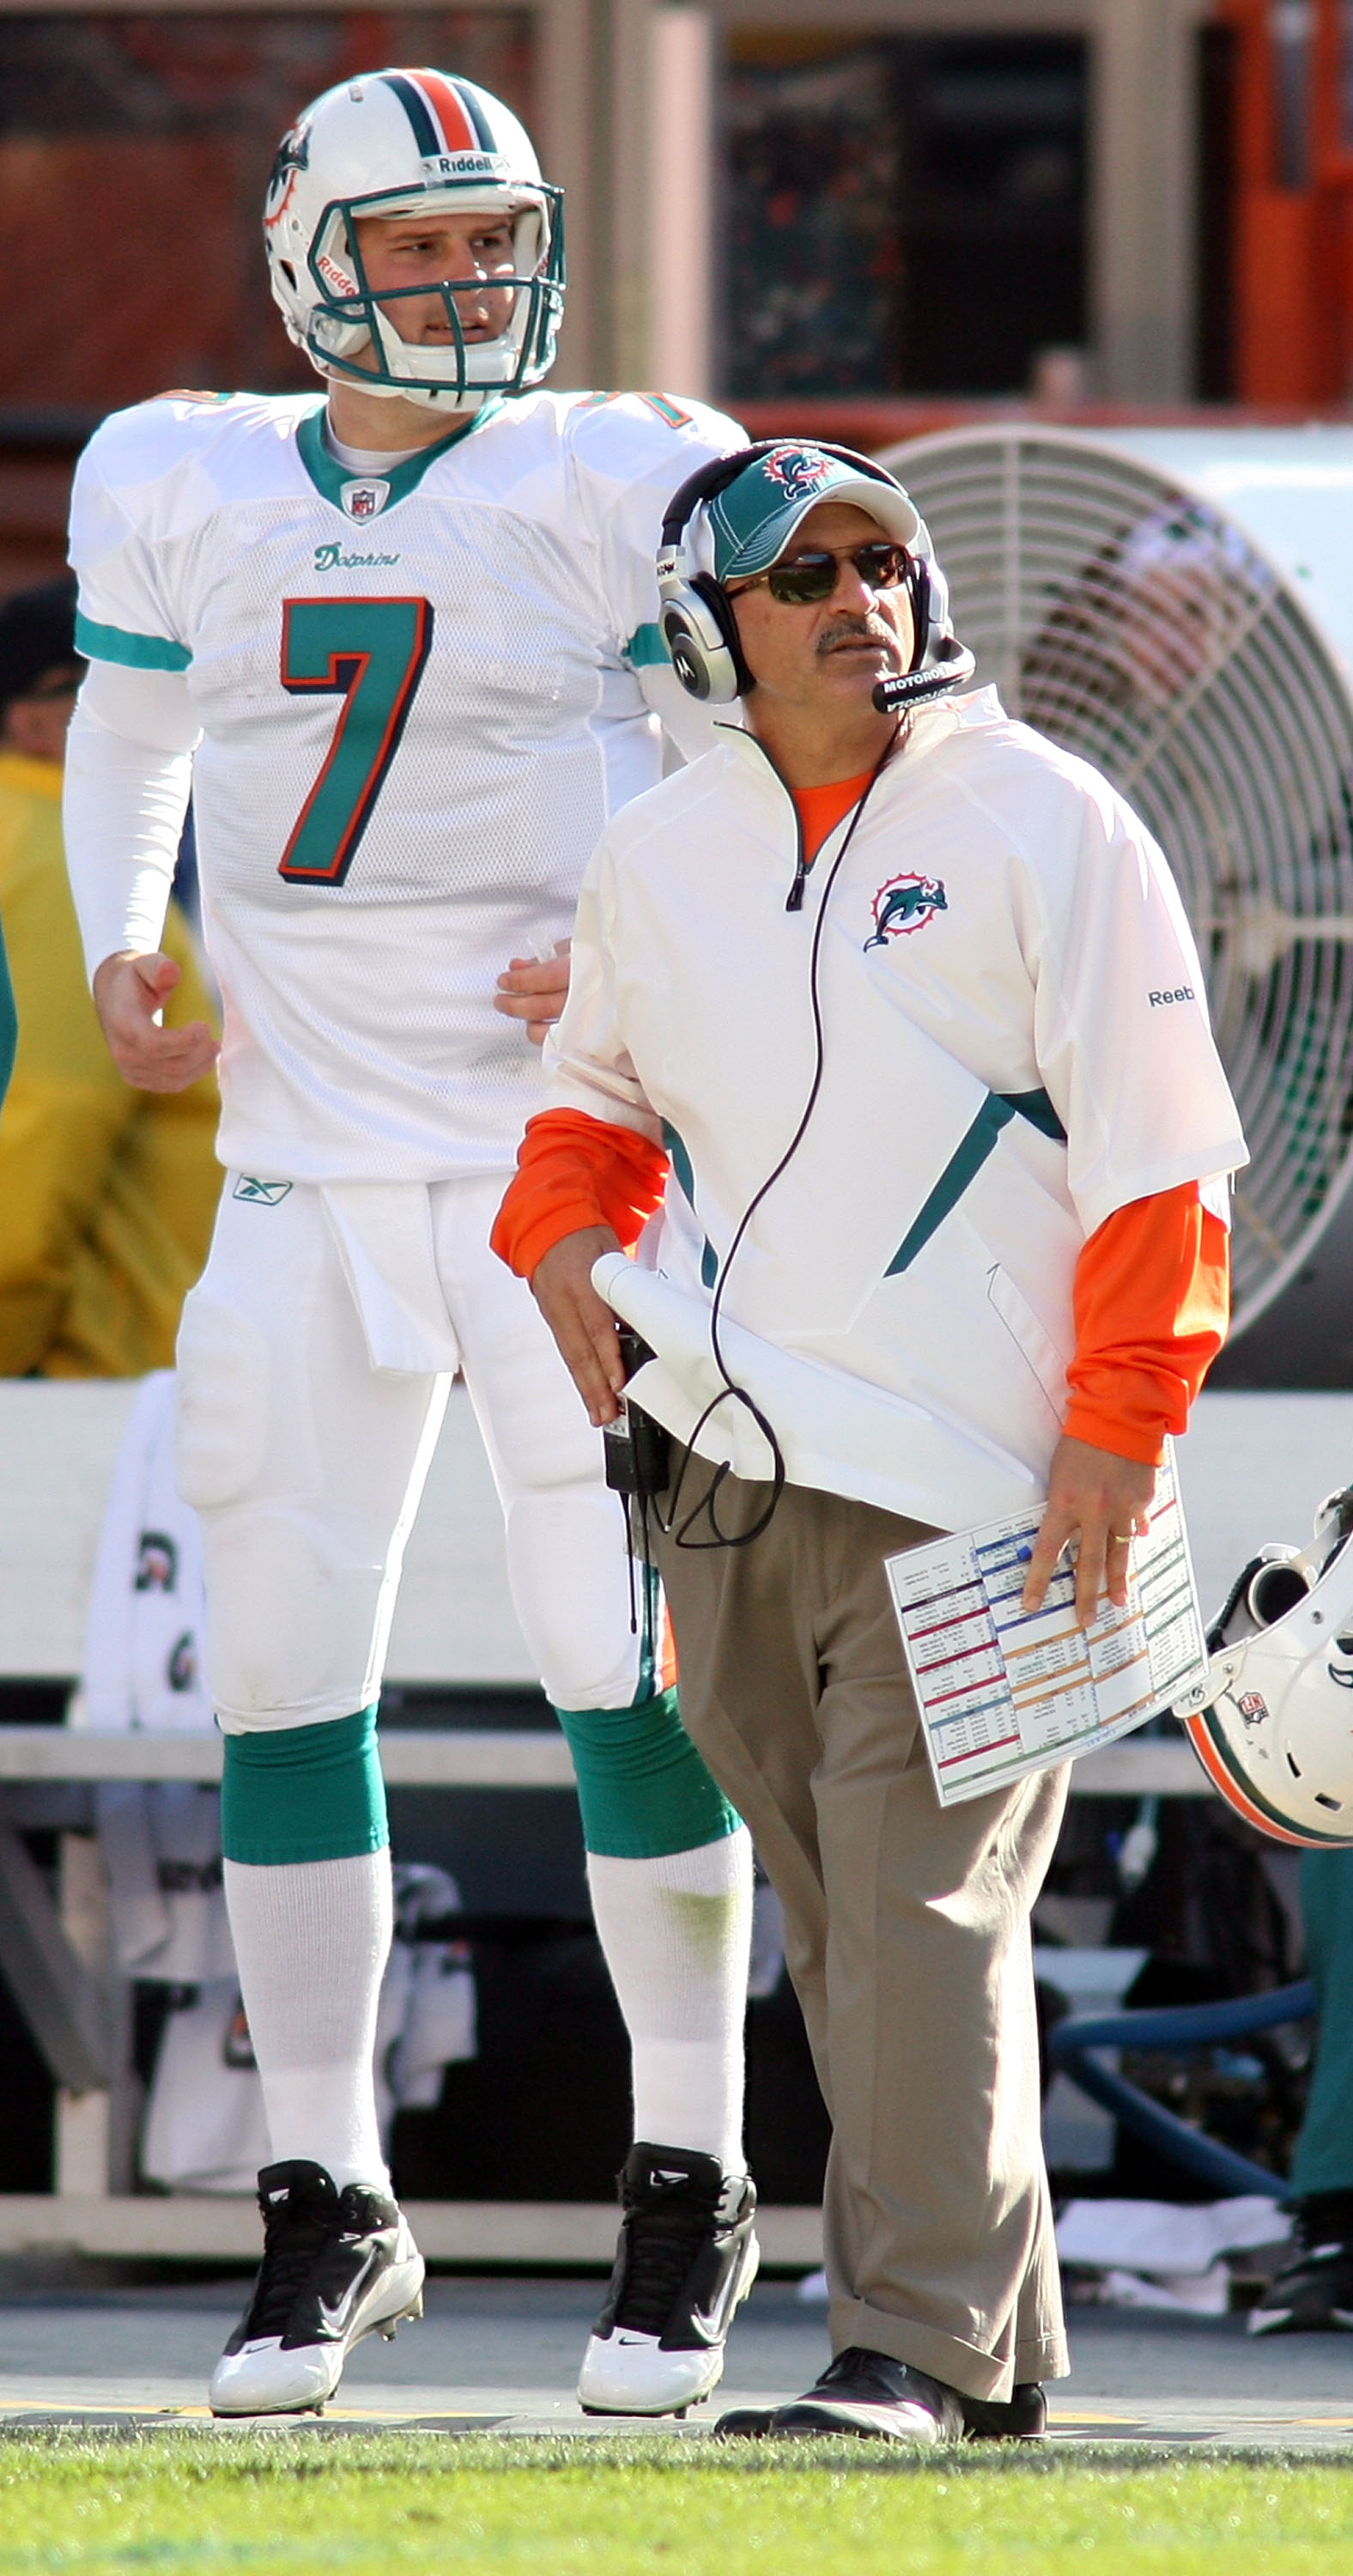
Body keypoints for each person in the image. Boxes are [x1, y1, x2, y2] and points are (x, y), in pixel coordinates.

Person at [64, 69, 759, 2420]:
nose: (472, 286)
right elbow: (136, 728)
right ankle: (327, 2197)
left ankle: (690, 2181)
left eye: (497, 243)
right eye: (423, 247)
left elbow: (787, 729)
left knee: (610, 1660)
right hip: (298, 1167)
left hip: (563, 1177)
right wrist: (117, 939)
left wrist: (661, 940)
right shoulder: (182, 473)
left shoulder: (611, 469)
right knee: (283, 1673)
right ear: (308, 260)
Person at [498, 438, 1247, 2444]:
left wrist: (1115, 1432)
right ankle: (987, 2349)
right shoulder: (657, 848)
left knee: (918, 1913)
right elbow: (593, 1092)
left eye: (883, 562)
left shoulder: (1048, 818)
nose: (863, 600)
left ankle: (900, 2342)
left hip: (993, 1474)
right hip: (725, 1470)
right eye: (806, 575)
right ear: (704, 629)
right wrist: (560, 1228)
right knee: (850, 1925)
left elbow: (1161, 1161)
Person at [0, 575, 221, 1370]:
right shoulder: (62, 859)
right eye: (108, 690)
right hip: (81, 1386)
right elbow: (36, 1140)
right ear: (31, 720)